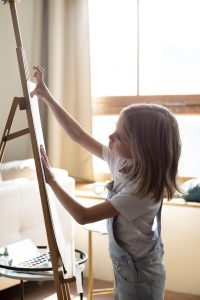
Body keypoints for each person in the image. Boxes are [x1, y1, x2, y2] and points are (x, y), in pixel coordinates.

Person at [31, 65, 181, 300]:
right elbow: (78, 136)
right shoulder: (123, 161)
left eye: (119, 136)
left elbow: (83, 215)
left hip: (141, 277)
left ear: (142, 149)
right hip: (126, 269)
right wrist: (45, 95)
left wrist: (51, 180)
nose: (110, 137)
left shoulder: (141, 192)